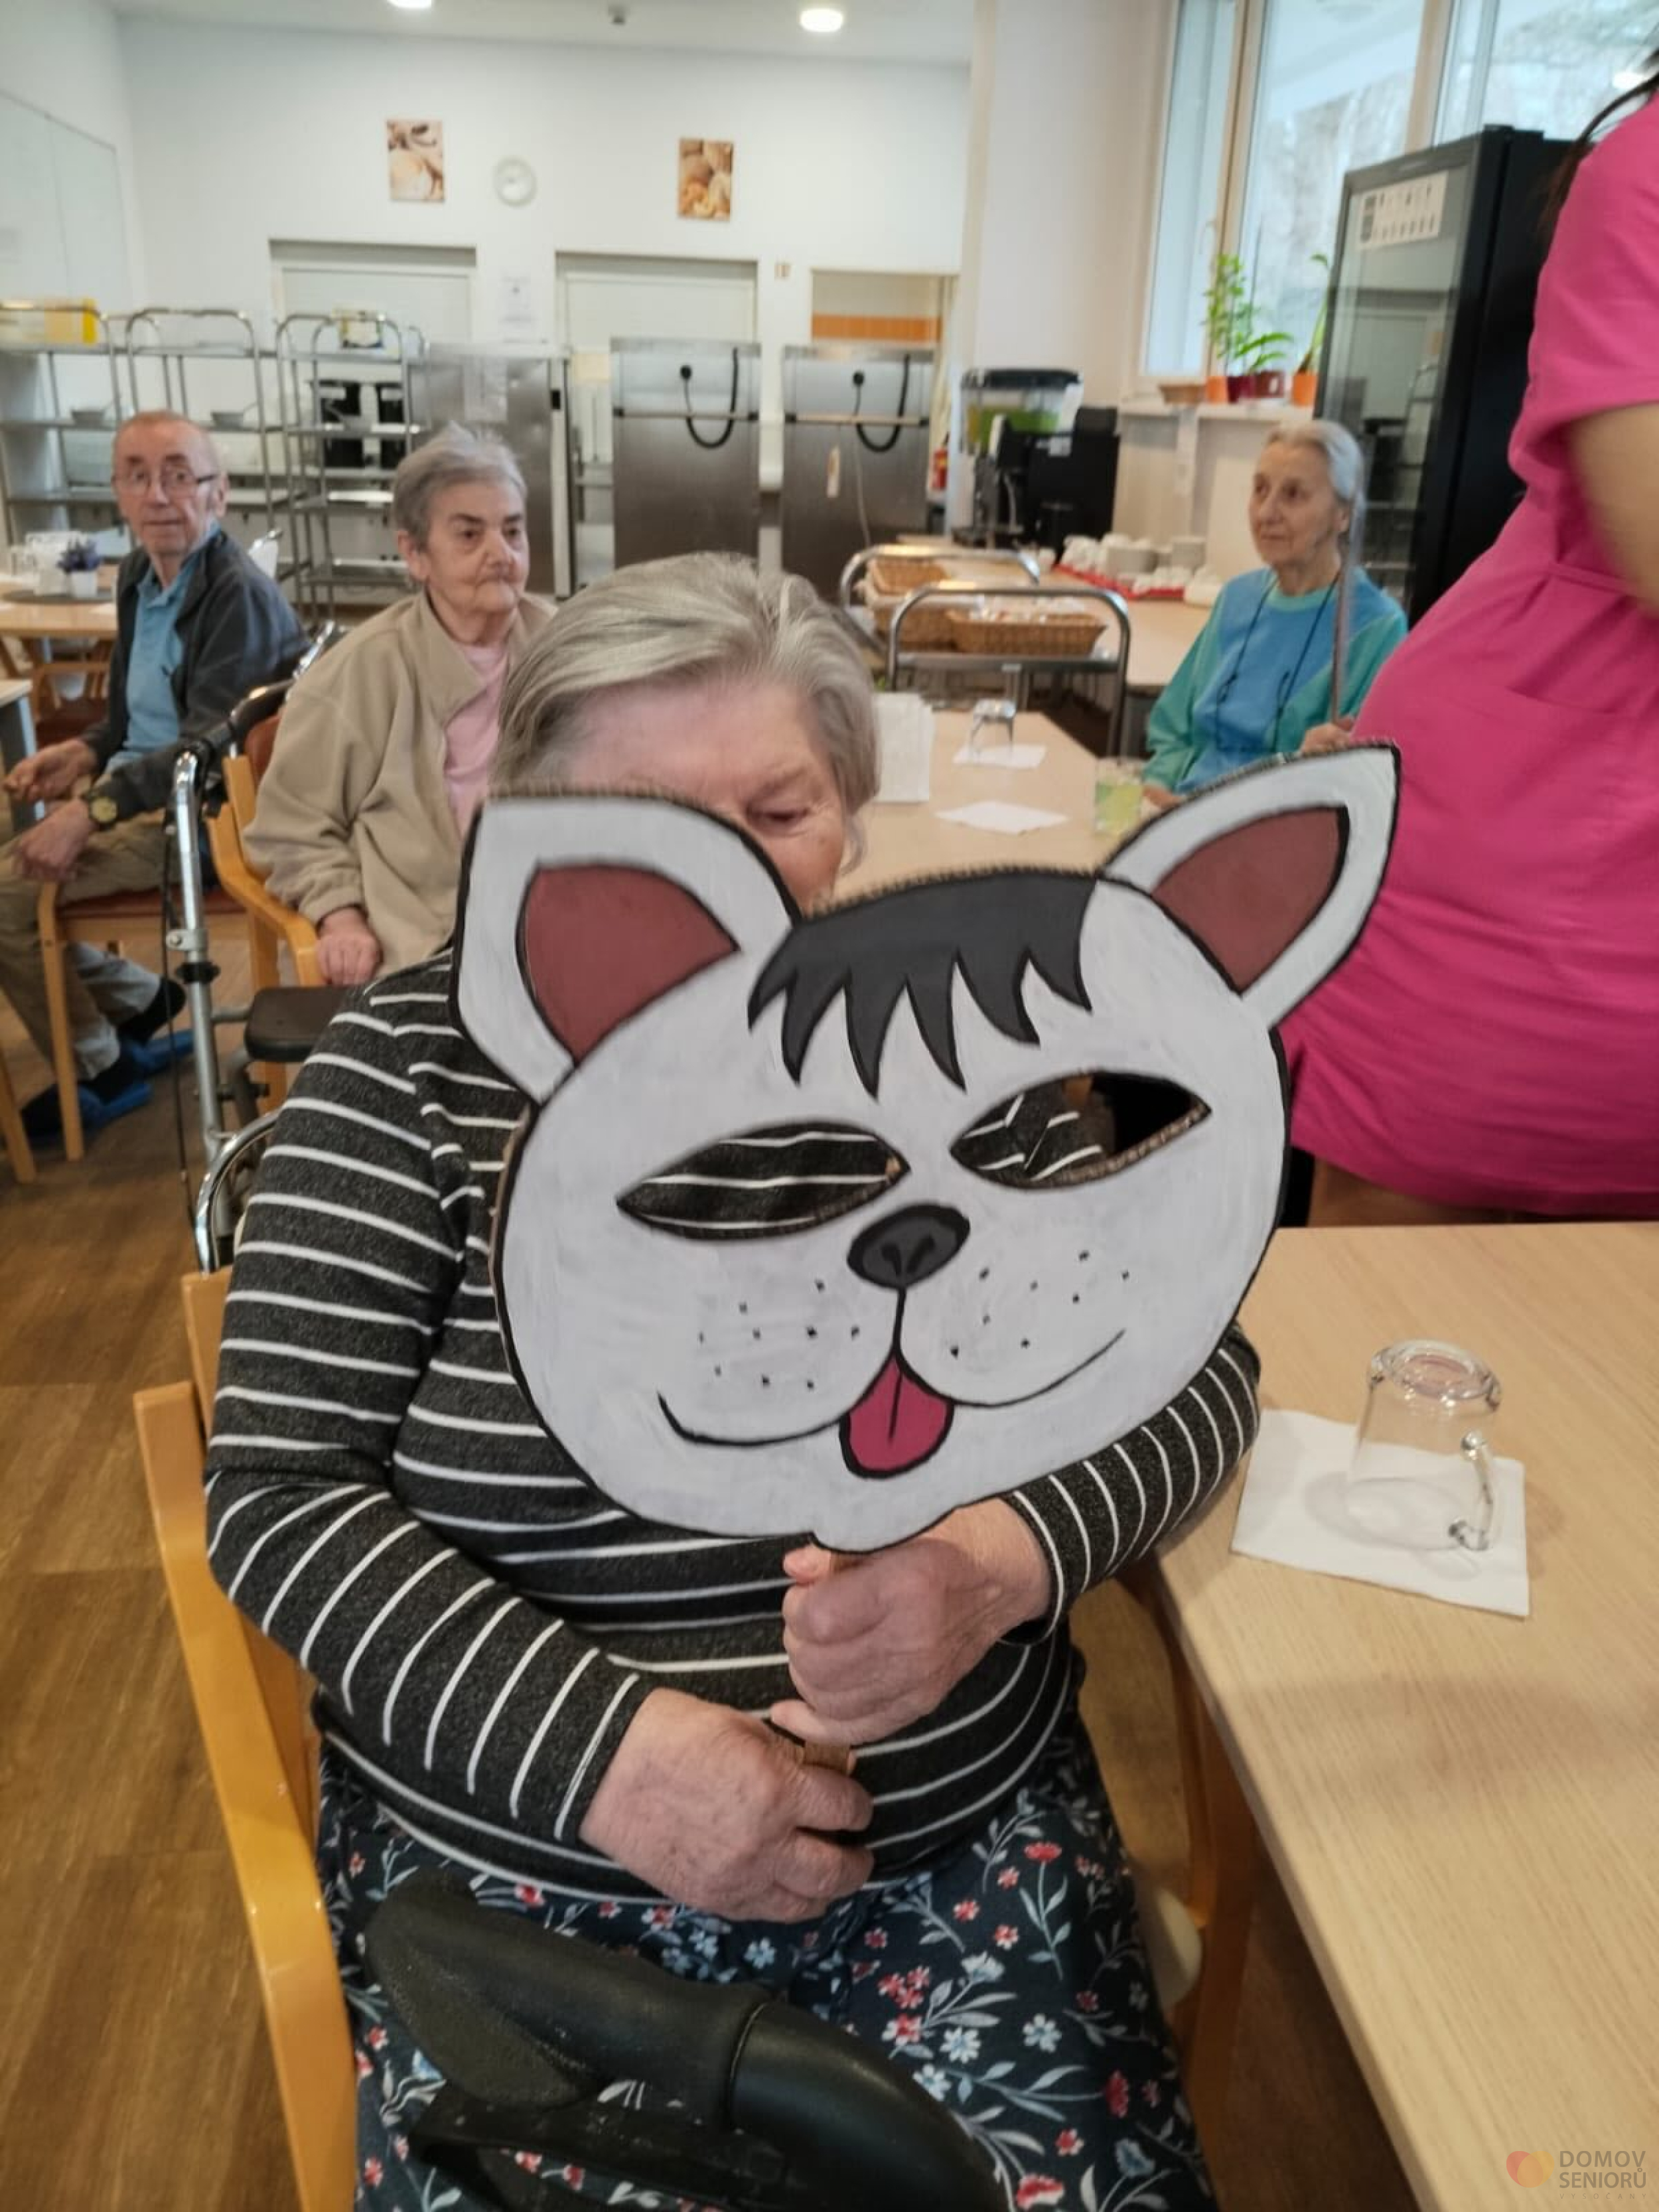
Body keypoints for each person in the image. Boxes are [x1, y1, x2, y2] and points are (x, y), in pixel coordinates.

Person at [207, 555, 1261, 2212]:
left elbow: (1193, 1372)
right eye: (646, 822)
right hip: (541, 1896)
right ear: (528, 823)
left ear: (848, 820)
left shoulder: (969, 1042)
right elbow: (278, 1493)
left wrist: (995, 1565)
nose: (730, 883)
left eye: (778, 810)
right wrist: (607, 1755)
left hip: (956, 1858)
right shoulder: (402, 1074)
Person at [1287, 77, 1659, 1223]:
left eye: (1290, 492)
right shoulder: (1644, 181)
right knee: (1400, 1313)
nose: (1272, 513)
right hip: (1539, 881)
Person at [0, 411, 303, 1138]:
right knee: (15, 862)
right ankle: (139, 1000)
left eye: (178, 476)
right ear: (118, 492)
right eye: (137, 476)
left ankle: (101, 1066)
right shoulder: (140, 575)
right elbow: (132, 716)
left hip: (202, 817)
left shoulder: (237, 596)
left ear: (218, 493)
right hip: (137, 792)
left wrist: (89, 812)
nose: (158, 495)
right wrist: (85, 752)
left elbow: (204, 751)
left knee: (6, 892)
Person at [245, 423, 552, 987]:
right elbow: (292, 826)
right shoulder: (360, 671)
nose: (501, 554)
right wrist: (340, 917)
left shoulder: (564, 647)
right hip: (426, 938)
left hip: (553, 923)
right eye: (469, 535)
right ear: (415, 553)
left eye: (513, 531)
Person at [1142, 421, 1406, 803]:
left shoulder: (1375, 627)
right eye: (1260, 490)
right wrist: (1160, 791)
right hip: (1184, 810)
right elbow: (1173, 730)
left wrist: (1313, 764)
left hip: (1281, 823)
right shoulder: (1237, 598)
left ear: (1343, 515)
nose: (1266, 513)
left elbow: (1360, 776)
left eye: (1293, 495)